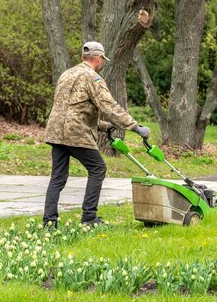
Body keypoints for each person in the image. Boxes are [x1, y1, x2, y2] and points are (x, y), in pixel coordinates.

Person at [43, 41, 150, 227]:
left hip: (55, 131)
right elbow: (108, 106)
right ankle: (89, 218)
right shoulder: (92, 77)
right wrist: (135, 127)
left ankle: (49, 222)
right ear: (98, 58)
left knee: (58, 177)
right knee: (98, 168)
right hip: (75, 133)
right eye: (102, 60)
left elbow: (71, 109)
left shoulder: (66, 74)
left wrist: (102, 126)